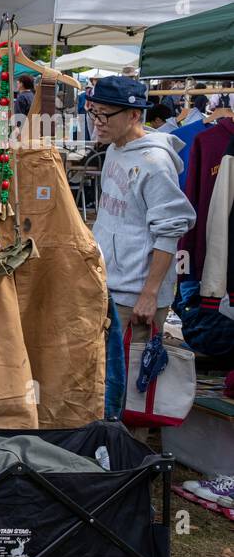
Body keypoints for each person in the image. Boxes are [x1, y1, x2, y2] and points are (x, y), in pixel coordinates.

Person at [86, 75, 195, 352]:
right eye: (94, 112)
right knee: (107, 378)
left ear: (134, 115)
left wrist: (149, 294)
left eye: (105, 115)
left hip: (135, 296)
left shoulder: (155, 163)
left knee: (131, 384)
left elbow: (169, 232)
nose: (97, 122)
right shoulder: (114, 149)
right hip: (109, 284)